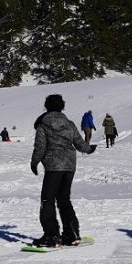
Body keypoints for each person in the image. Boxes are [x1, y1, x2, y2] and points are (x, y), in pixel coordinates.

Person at [29, 93, 97, 248]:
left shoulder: (43, 124)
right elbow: (80, 144)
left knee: (47, 200)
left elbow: (40, 146)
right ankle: (72, 234)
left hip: (54, 166)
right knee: (64, 200)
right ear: (62, 106)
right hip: (69, 166)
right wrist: (89, 149)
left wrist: (34, 162)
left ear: (46, 106)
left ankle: (51, 236)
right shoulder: (69, 123)